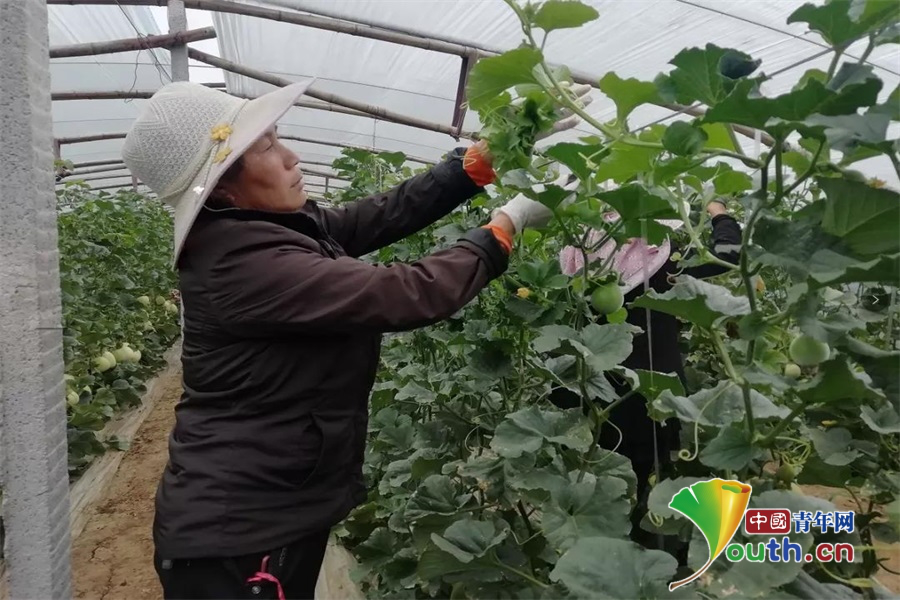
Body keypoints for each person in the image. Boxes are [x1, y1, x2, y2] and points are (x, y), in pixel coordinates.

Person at [121, 81, 577, 599]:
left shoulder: (261, 227)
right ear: (223, 186)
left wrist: (477, 163)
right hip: (239, 533)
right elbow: (407, 293)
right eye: (268, 147)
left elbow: (378, 215)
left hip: (274, 502)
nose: (292, 158)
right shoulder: (242, 265)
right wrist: (504, 227)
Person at [547, 198, 742, 550]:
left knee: (588, 484)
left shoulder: (581, 255)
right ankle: (646, 560)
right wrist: (718, 211)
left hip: (586, 390)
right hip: (649, 394)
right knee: (645, 487)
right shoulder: (664, 259)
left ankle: (591, 557)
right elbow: (727, 253)